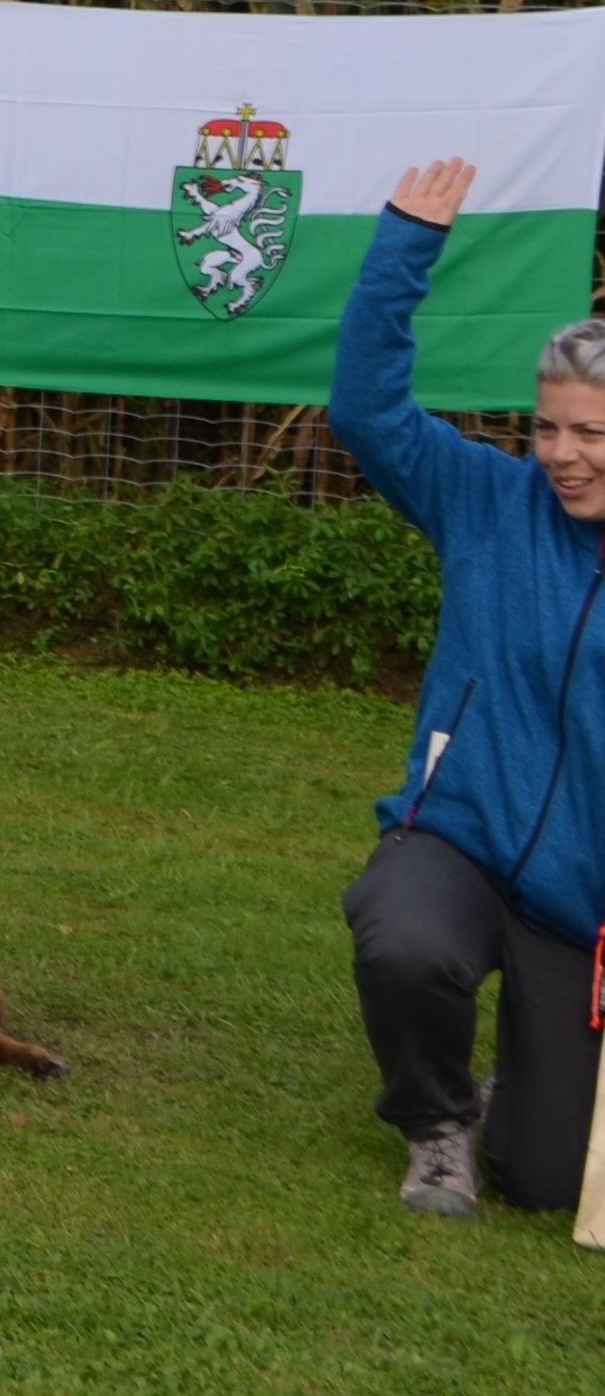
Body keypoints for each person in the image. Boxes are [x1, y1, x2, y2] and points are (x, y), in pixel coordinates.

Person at [329, 156, 605, 1217]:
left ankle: (516, 1102)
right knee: (401, 933)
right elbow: (365, 407)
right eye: (548, 428)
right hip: (459, 840)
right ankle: (435, 1119)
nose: (562, 456)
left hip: (579, 907)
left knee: (540, 1177)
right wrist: (404, 242)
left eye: (589, 433)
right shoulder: (487, 500)